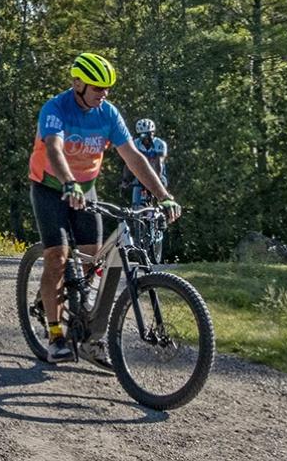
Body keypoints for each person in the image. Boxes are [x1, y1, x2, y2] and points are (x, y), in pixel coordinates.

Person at [28, 52, 180, 363]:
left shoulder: (108, 114)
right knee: (57, 256)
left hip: (85, 189)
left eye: (108, 88)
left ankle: (88, 337)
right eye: (98, 87)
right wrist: (68, 181)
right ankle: (56, 333)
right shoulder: (56, 109)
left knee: (92, 259)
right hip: (50, 187)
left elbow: (134, 157)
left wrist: (163, 195)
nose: (104, 94)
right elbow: (55, 148)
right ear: (79, 84)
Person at [124, 118, 169, 208]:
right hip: (140, 175)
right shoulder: (135, 143)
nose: (148, 137)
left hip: (157, 174)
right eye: (145, 135)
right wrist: (126, 179)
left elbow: (158, 163)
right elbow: (129, 162)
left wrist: (156, 180)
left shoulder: (159, 143)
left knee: (158, 200)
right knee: (135, 205)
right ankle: (136, 215)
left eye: (151, 133)